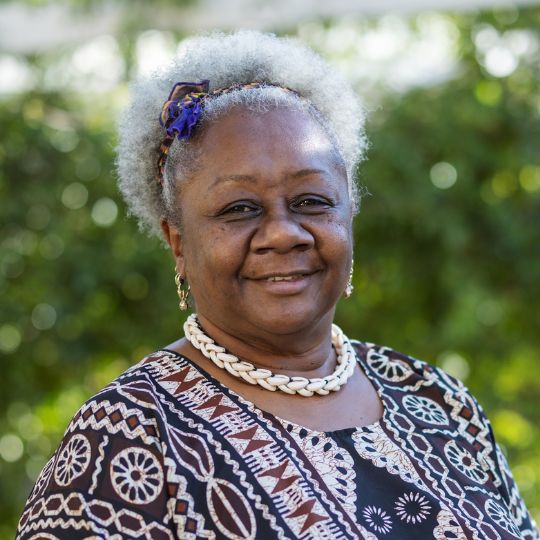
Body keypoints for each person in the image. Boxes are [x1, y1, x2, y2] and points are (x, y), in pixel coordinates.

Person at [17, 30, 538, 540]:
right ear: (178, 242)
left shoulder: (437, 400)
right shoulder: (128, 437)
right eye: (238, 209)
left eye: (312, 201)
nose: (283, 233)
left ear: (349, 213)